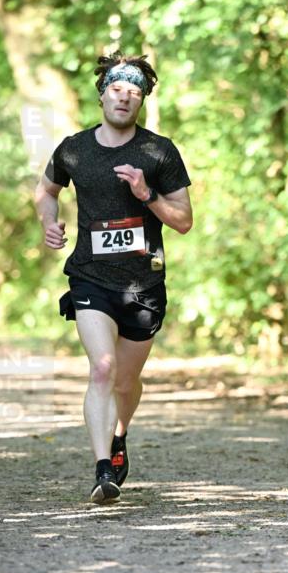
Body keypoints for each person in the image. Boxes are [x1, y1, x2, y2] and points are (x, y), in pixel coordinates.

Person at [34, 51, 192, 503]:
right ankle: (103, 468)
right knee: (101, 369)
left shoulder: (159, 151)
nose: (125, 98)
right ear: (103, 94)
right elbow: (45, 191)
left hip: (144, 285)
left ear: (142, 101)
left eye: (135, 92)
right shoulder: (74, 149)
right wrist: (49, 220)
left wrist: (147, 194)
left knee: (125, 380)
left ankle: (119, 433)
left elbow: (182, 221)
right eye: (118, 89)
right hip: (90, 278)